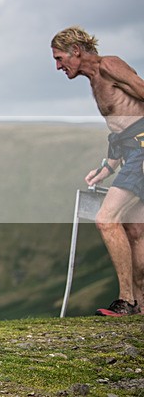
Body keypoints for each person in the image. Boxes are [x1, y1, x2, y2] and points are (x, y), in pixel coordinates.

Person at [52, 25, 144, 316]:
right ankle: (140, 305)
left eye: (59, 58)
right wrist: (108, 166)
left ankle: (126, 300)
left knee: (107, 219)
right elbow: (125, 126)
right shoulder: (94, 81)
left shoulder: (110, 66)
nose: (58, 66)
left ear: (75, 51)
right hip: (132, 153)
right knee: (135, 230)